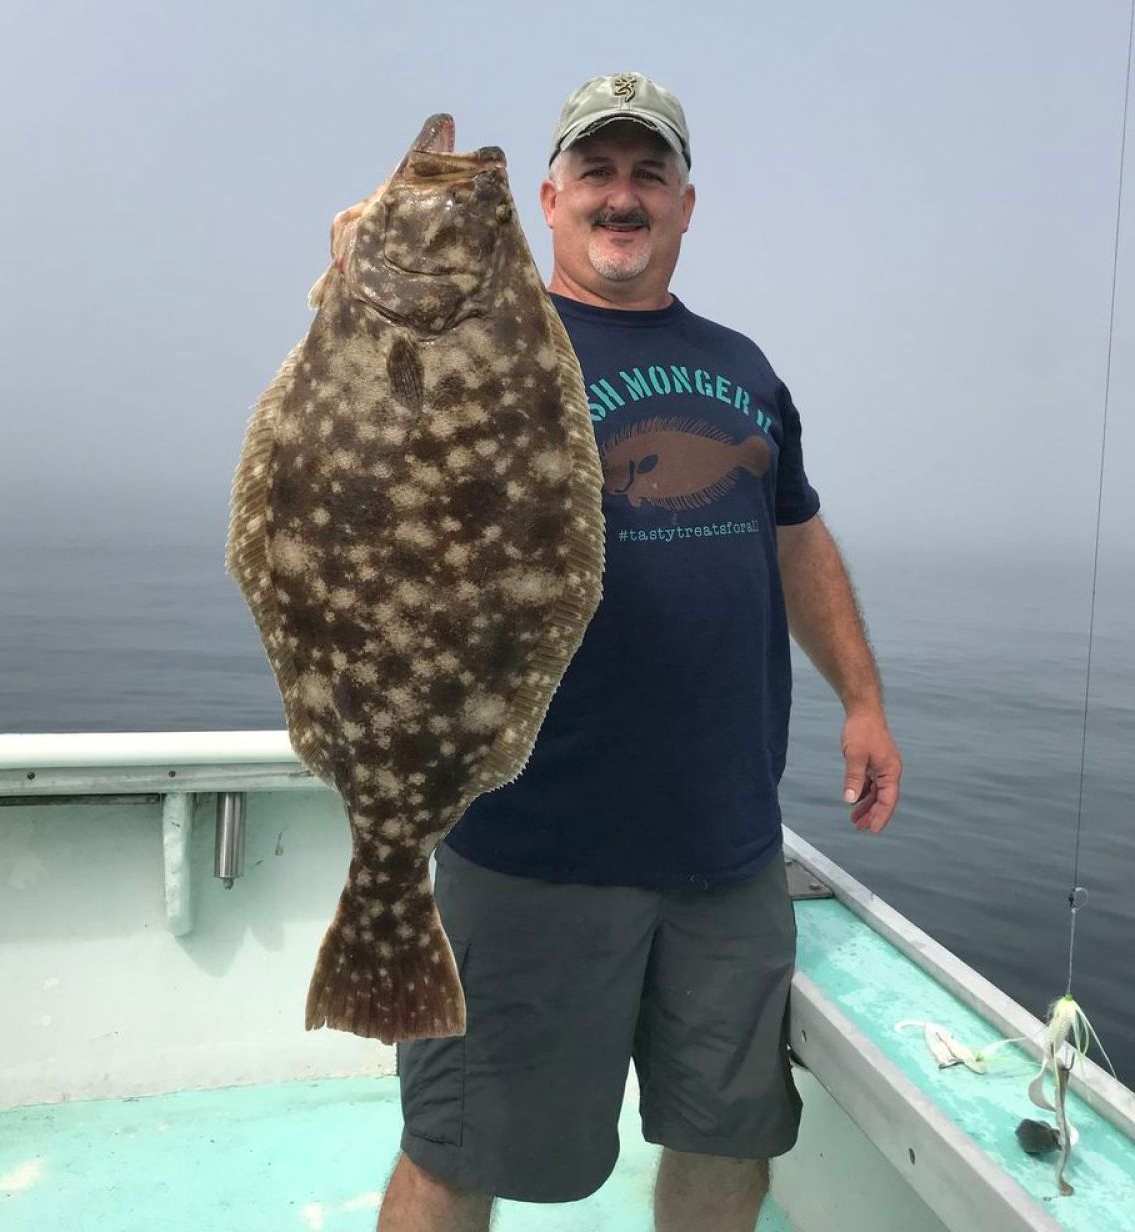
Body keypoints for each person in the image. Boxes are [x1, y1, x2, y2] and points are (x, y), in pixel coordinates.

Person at [377, 73, 902, 1232]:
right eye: (598, 174)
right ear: (551, 201)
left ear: (686, 204)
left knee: (729, 1145)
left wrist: (860, 698)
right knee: (457, 1152)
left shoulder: (746, 366)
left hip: (724, 851)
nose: (624, 196)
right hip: (531, 847)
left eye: (647, 173)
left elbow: (796, 534)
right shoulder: (484, 336)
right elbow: (374, 414)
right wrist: (373, 287)